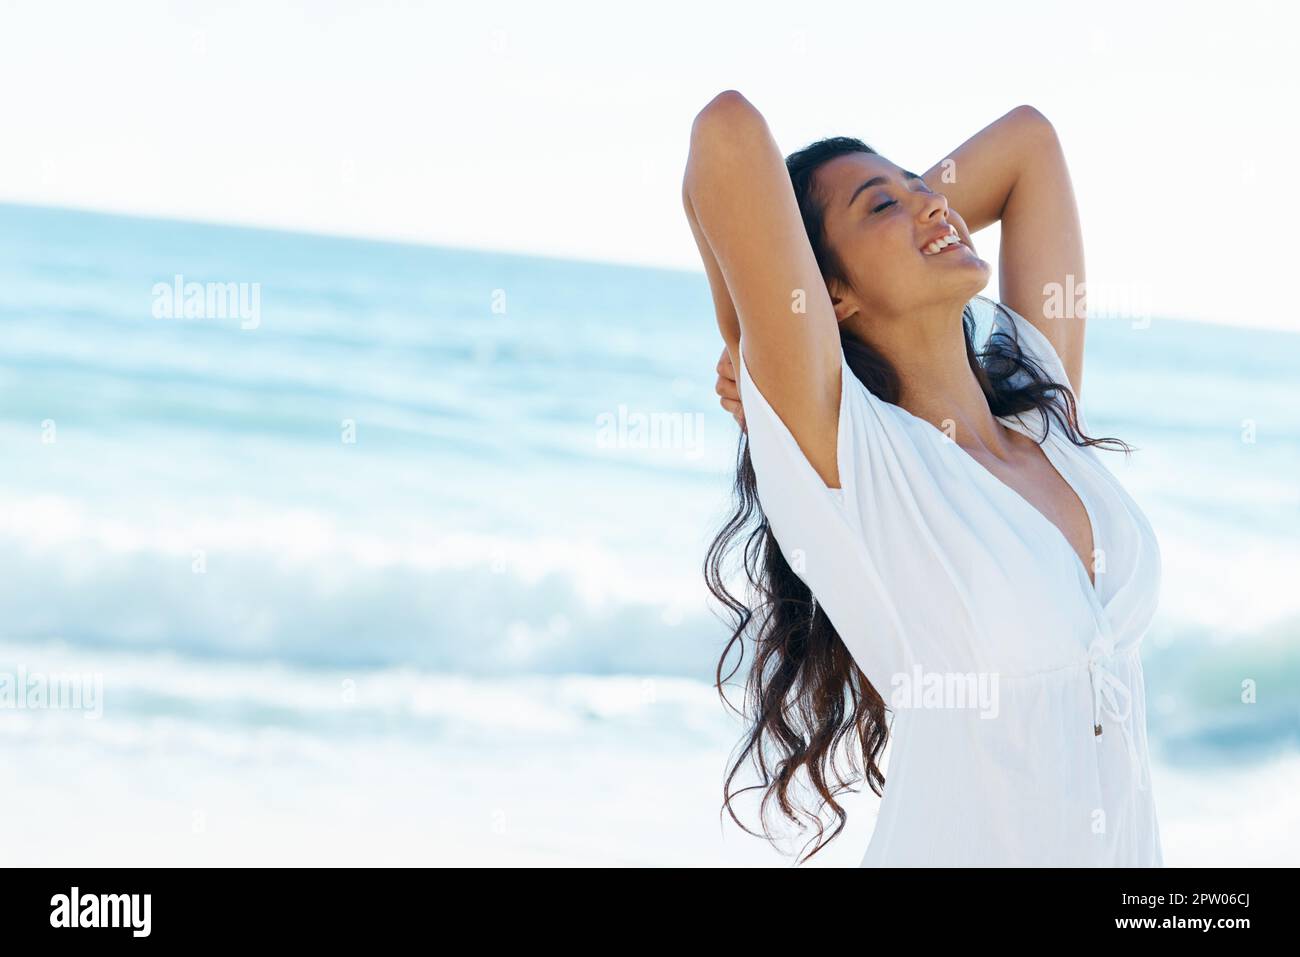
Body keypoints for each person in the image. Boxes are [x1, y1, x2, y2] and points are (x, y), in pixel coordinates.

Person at [683, 92, 1162, 866]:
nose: (936, 205)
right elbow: (726, 136)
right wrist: (752, 332)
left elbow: (1028, 144)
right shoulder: (854, 457)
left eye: (928, 190)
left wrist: (911, 215)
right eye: (883, 203)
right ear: (827, 291)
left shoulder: (1043, 411)